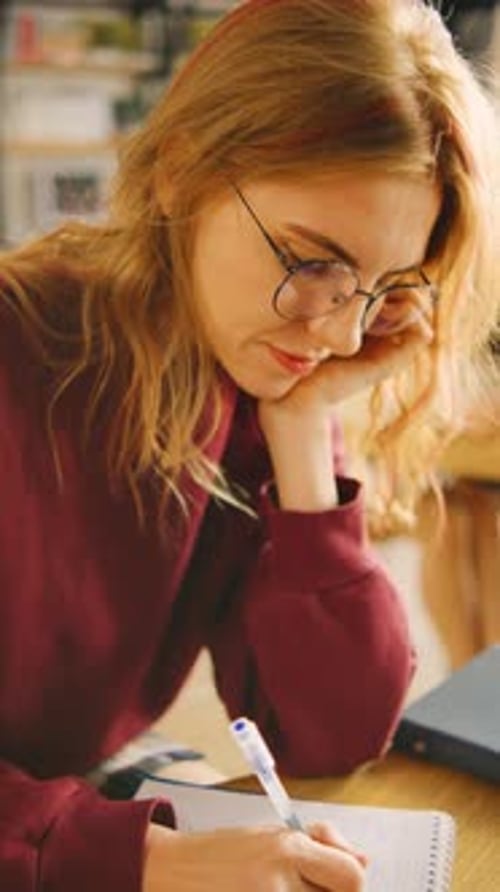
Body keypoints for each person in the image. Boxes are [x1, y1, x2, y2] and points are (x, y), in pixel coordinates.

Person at [0, 1, 499, 890]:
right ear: (186, 167)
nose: (343, 337)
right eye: (310, 261)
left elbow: (329, 734)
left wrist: (306, 429)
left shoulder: (256, 376)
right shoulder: (19, 351)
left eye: (380, 289)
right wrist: (144, 858)